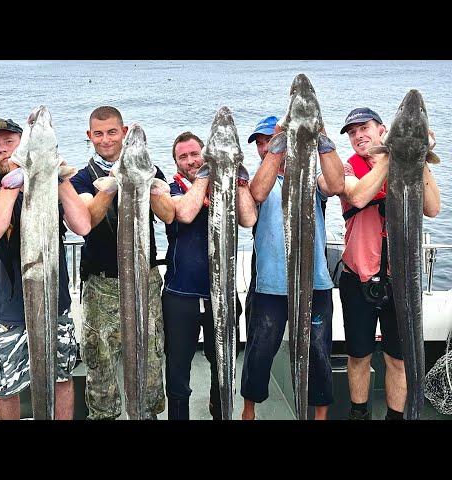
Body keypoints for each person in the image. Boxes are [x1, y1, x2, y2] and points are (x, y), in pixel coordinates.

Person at [0, 117, 91, 420]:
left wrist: (59, 178)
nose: (3, 150)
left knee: (61, 377)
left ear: (23, 146)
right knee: (6, 387)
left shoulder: (51, 185)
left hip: (55, 304)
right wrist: (12, 183)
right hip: (6, 312)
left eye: (9, 143)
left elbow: (83, 224)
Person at [70, 106, 175, 420]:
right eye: (98, 133)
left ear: (124, 132)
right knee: (100, 361)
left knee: (151, 357)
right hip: (101, 285)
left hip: (145, 280)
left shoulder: (150, 169)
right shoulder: (81, 178)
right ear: (90, 136)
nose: (105, 140)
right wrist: (114, 180)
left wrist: (141, 177)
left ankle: (147, 412)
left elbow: (168, 214)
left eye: (112, 132)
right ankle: (104, 414)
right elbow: (86, 219)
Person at [338, 108, 441, 420]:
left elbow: (433, 208)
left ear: (381, 129)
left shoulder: (408, 162)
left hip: (400, 282)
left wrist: (419, 155)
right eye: (352, 132)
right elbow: (357, 197)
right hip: (358, 279)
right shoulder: (347, 168)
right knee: (359, 356)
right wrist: (390, 154)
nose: (358, 136)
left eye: (364, 128)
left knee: (398, 359)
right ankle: (360, 414)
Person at [240, 115, 345, 420]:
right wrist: (275, 149)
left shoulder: (310, 176)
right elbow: (256, 195)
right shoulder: (257, 181)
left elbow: (336, 184)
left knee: (318, 352)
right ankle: (249, 412)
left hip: (315, 283)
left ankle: (320, 416)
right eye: (260, 144)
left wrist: (321, 134)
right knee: (259, 351)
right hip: (270, 285)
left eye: (269, 141)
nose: (263, 148)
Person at [162, 131, 257, 420]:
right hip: (181, 297)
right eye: (183, 157)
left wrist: (237, 176)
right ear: (176, 163)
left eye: (195, 154)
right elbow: (186, 213)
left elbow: (249, 218)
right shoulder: (171, 190)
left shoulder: (225, 187)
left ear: (206, 153)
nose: (191, 161)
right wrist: (206, 174)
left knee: (222, 365)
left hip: (222, 294)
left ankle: (220, 413)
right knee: (178, 369)